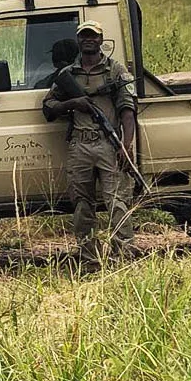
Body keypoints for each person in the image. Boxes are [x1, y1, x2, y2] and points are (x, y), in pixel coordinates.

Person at [42, 21, 138, 263]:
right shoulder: (67, 75)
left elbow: (128, 111)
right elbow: (49, 106)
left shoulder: (115, 71)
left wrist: (126, 146)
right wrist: (73, 104)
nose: (89, 39)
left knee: (117, 202)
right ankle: (89, 258)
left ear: (100, 39)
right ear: (78, 40)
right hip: (80, 145)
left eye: (93, 36)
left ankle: (123, 256)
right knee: (83, 205)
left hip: (109, 143)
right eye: (84, 35)